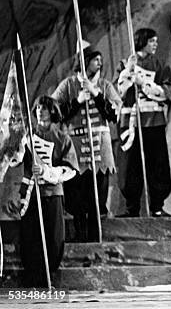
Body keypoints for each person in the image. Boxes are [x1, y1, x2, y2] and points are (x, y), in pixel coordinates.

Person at [52, 45, 121, 241]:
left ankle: (96, 236)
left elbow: (114, 113)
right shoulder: (68, 85)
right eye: (95, 59)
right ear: (85, 61)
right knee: (77, 194)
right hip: (76, 145)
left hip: (100, 144)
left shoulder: (105, 85)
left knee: (98, 193)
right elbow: (55, 112)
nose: (100, 63)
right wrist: (77, 101)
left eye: (100, 59)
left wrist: (96, 94)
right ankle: (80, 236)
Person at [19, 96, 78, 287]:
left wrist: (46, 171)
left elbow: (70, 169)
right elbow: (15, 158)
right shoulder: (27, 137)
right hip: (30, 193)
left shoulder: (62, 138)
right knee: (30, 235)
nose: (39, 111)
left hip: (52, 194)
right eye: (37, 108)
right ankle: (32, 276)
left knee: (53, 237)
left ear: (52, 111)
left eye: (44, 108)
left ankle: (48, 274)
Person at [116, 28, 171, 217]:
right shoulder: (126, 64)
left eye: (156, 41)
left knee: (157, 164)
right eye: (152, 41)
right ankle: (132, 207)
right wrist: (128, 72)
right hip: (131, 122)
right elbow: (120, 92)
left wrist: (144, 84)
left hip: (153, 121)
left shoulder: (159, 64)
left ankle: (157, 205)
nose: (155, 44)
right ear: (142, 42)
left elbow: (167, 92)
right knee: (130, 166)